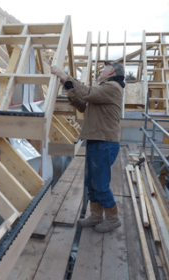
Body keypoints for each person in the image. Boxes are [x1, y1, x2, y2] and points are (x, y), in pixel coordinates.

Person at [51, 61, 125, 233]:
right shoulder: (104, 88)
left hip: (104, 142)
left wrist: (64, 76)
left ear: (111, 71)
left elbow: (86, 92)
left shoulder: (112, 86)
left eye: (104, 69)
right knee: (91, 182)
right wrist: (71, 94)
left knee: (100, 184)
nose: (101, 71)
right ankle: (96, 216)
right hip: (96, 140)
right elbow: (84, 106)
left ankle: (113, 219)